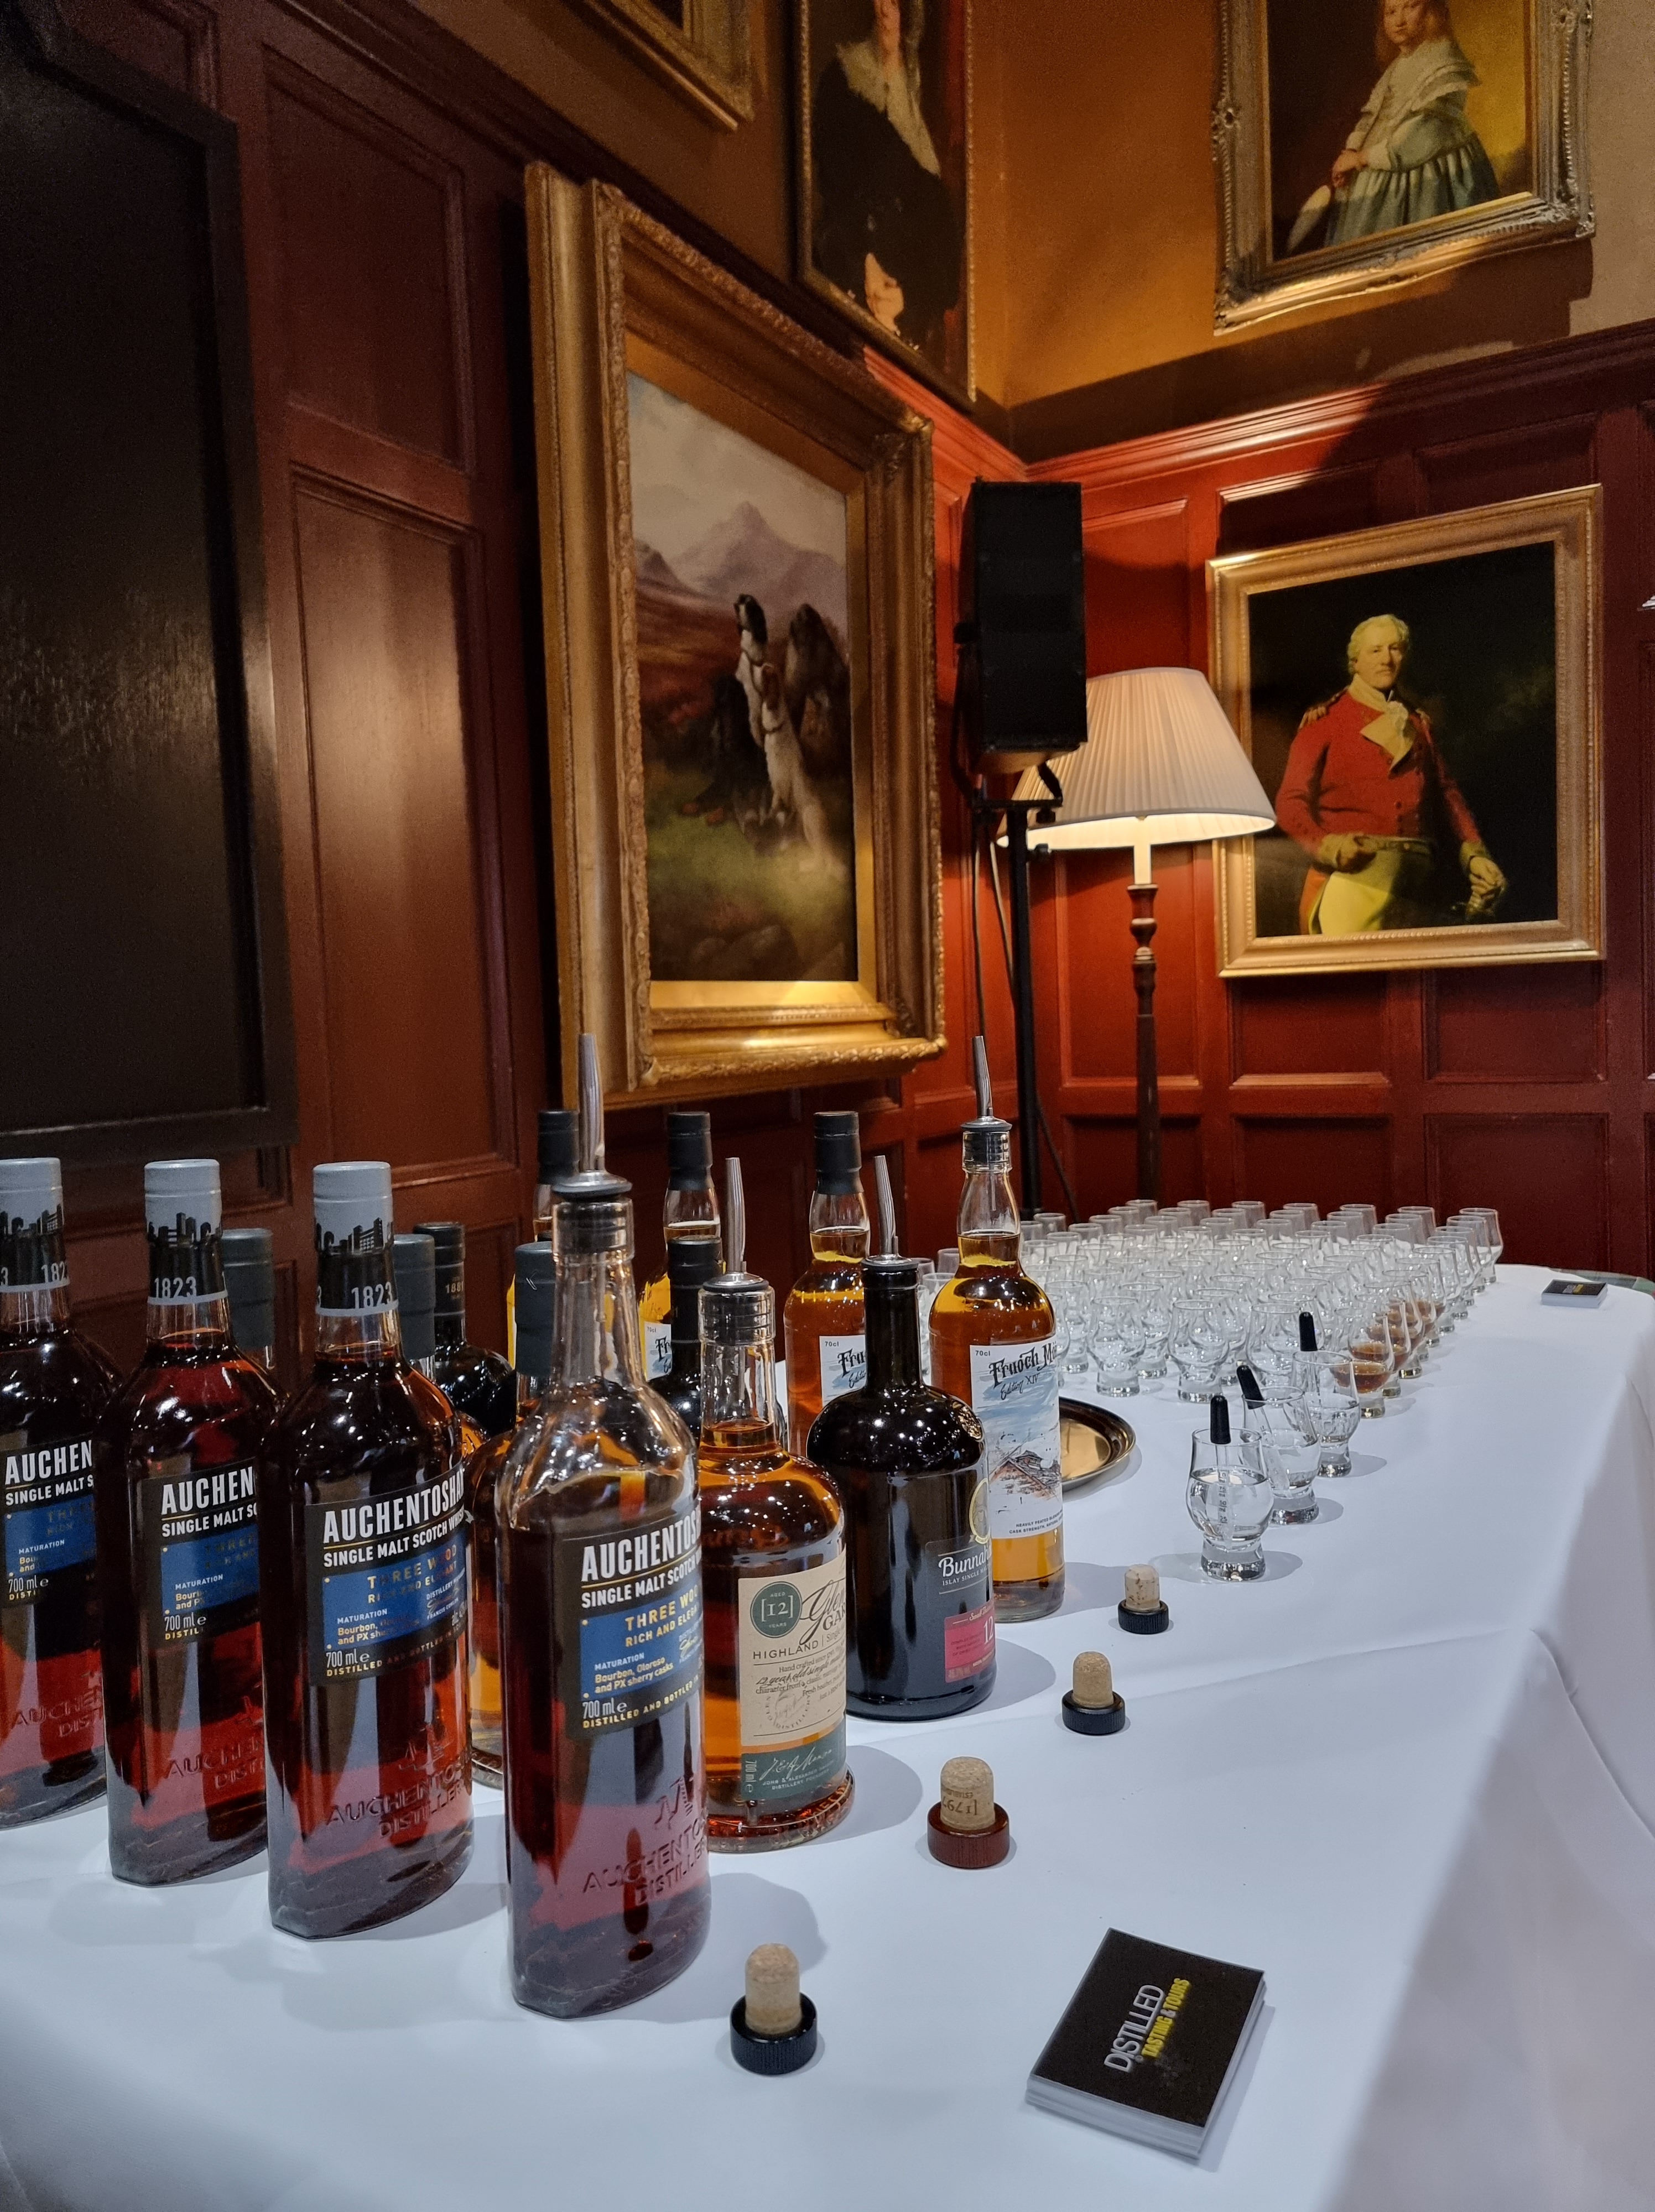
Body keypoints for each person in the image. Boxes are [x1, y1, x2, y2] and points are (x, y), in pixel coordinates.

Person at [1274, 614, 1507, 935]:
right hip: (1354, 881)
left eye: (1395, 649)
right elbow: (1289, 804)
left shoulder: (1419, 724)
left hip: (1420, 889)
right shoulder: (1324, 723)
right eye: (1375, 651)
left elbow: (1447, 794)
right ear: (1355, 662)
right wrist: (1329, 846)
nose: (1386, 659)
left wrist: (1475, 856)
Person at [1286, 0, 1498, 254]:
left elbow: (1425, 133)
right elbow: (1373, 116)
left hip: (1428, 175)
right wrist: (1350, 152)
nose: (1399, 21)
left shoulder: (1443, 59)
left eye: (1410, 7)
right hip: (1379, 169)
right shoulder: (1397, 66)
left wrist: (1362, 158)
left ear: (1430, 10)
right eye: (1391, 12)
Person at [811, 0, 960, 357]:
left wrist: (907, 296)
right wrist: (865, 260)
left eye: (893, 3)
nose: (884, 10)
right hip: (849, 264)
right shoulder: (841, 80)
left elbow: (941, 248)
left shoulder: (914, 100)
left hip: (901, 305)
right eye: (879, 0)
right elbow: (833, 188)